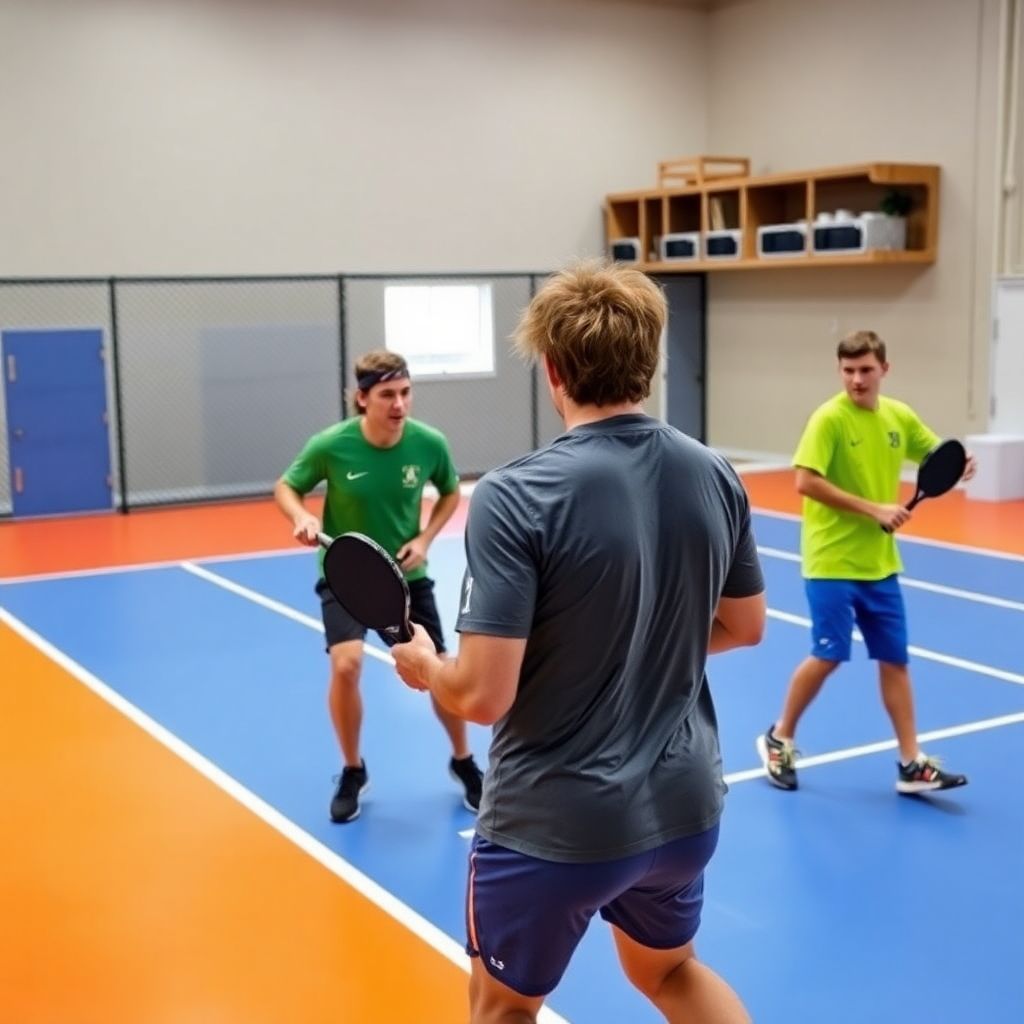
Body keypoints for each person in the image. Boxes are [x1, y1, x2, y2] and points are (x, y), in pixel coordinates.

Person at [391, 260, 766, 1024]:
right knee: (671, 976)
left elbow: (485, 694)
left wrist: (428, 666)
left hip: (555, 823)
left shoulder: (516, 492)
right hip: (685, 808)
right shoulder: (714, 473)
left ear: (553, 369)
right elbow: (743, 625)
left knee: (504, 1009)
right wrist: (628, 641)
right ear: (651, 363)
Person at [757, 330, 976, 794]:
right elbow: (805, 482)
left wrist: (963, 465)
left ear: (884, 370)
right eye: (849, 371)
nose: (857, 380)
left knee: (895, 659)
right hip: (831, 561)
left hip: (880, 565)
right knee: (829, 653)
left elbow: (937, 456)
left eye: (865, 370)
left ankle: (910, 763)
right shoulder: (828, 420)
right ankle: (779, 737)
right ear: (841, 371)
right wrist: (874, 508)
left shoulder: (898, 417)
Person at [274, 349, 483, 823]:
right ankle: (352, 769)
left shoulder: (429, 443)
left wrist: (426, 538)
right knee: (346, 666)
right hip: (345, 577)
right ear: (362, 398)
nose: (400, 405)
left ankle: (463, 761)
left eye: (406, 393)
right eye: (388, 394)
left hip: (406, 578)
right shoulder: (330, 446)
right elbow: (286, 486)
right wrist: (301, 513)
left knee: (438, 668)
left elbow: (450, 490)